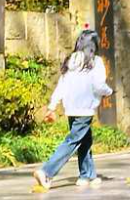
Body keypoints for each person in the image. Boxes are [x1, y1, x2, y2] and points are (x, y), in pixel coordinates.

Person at [34, 29, 113, 189]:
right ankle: (47, 171)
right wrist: (109, 91)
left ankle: (87, 175)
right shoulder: (95, 61)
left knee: (85, 140)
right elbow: (98, 85)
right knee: (73, 141)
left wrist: (52, 106)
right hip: (85, 109)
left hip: (71, 108)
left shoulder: (71, 60)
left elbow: (61, 86)